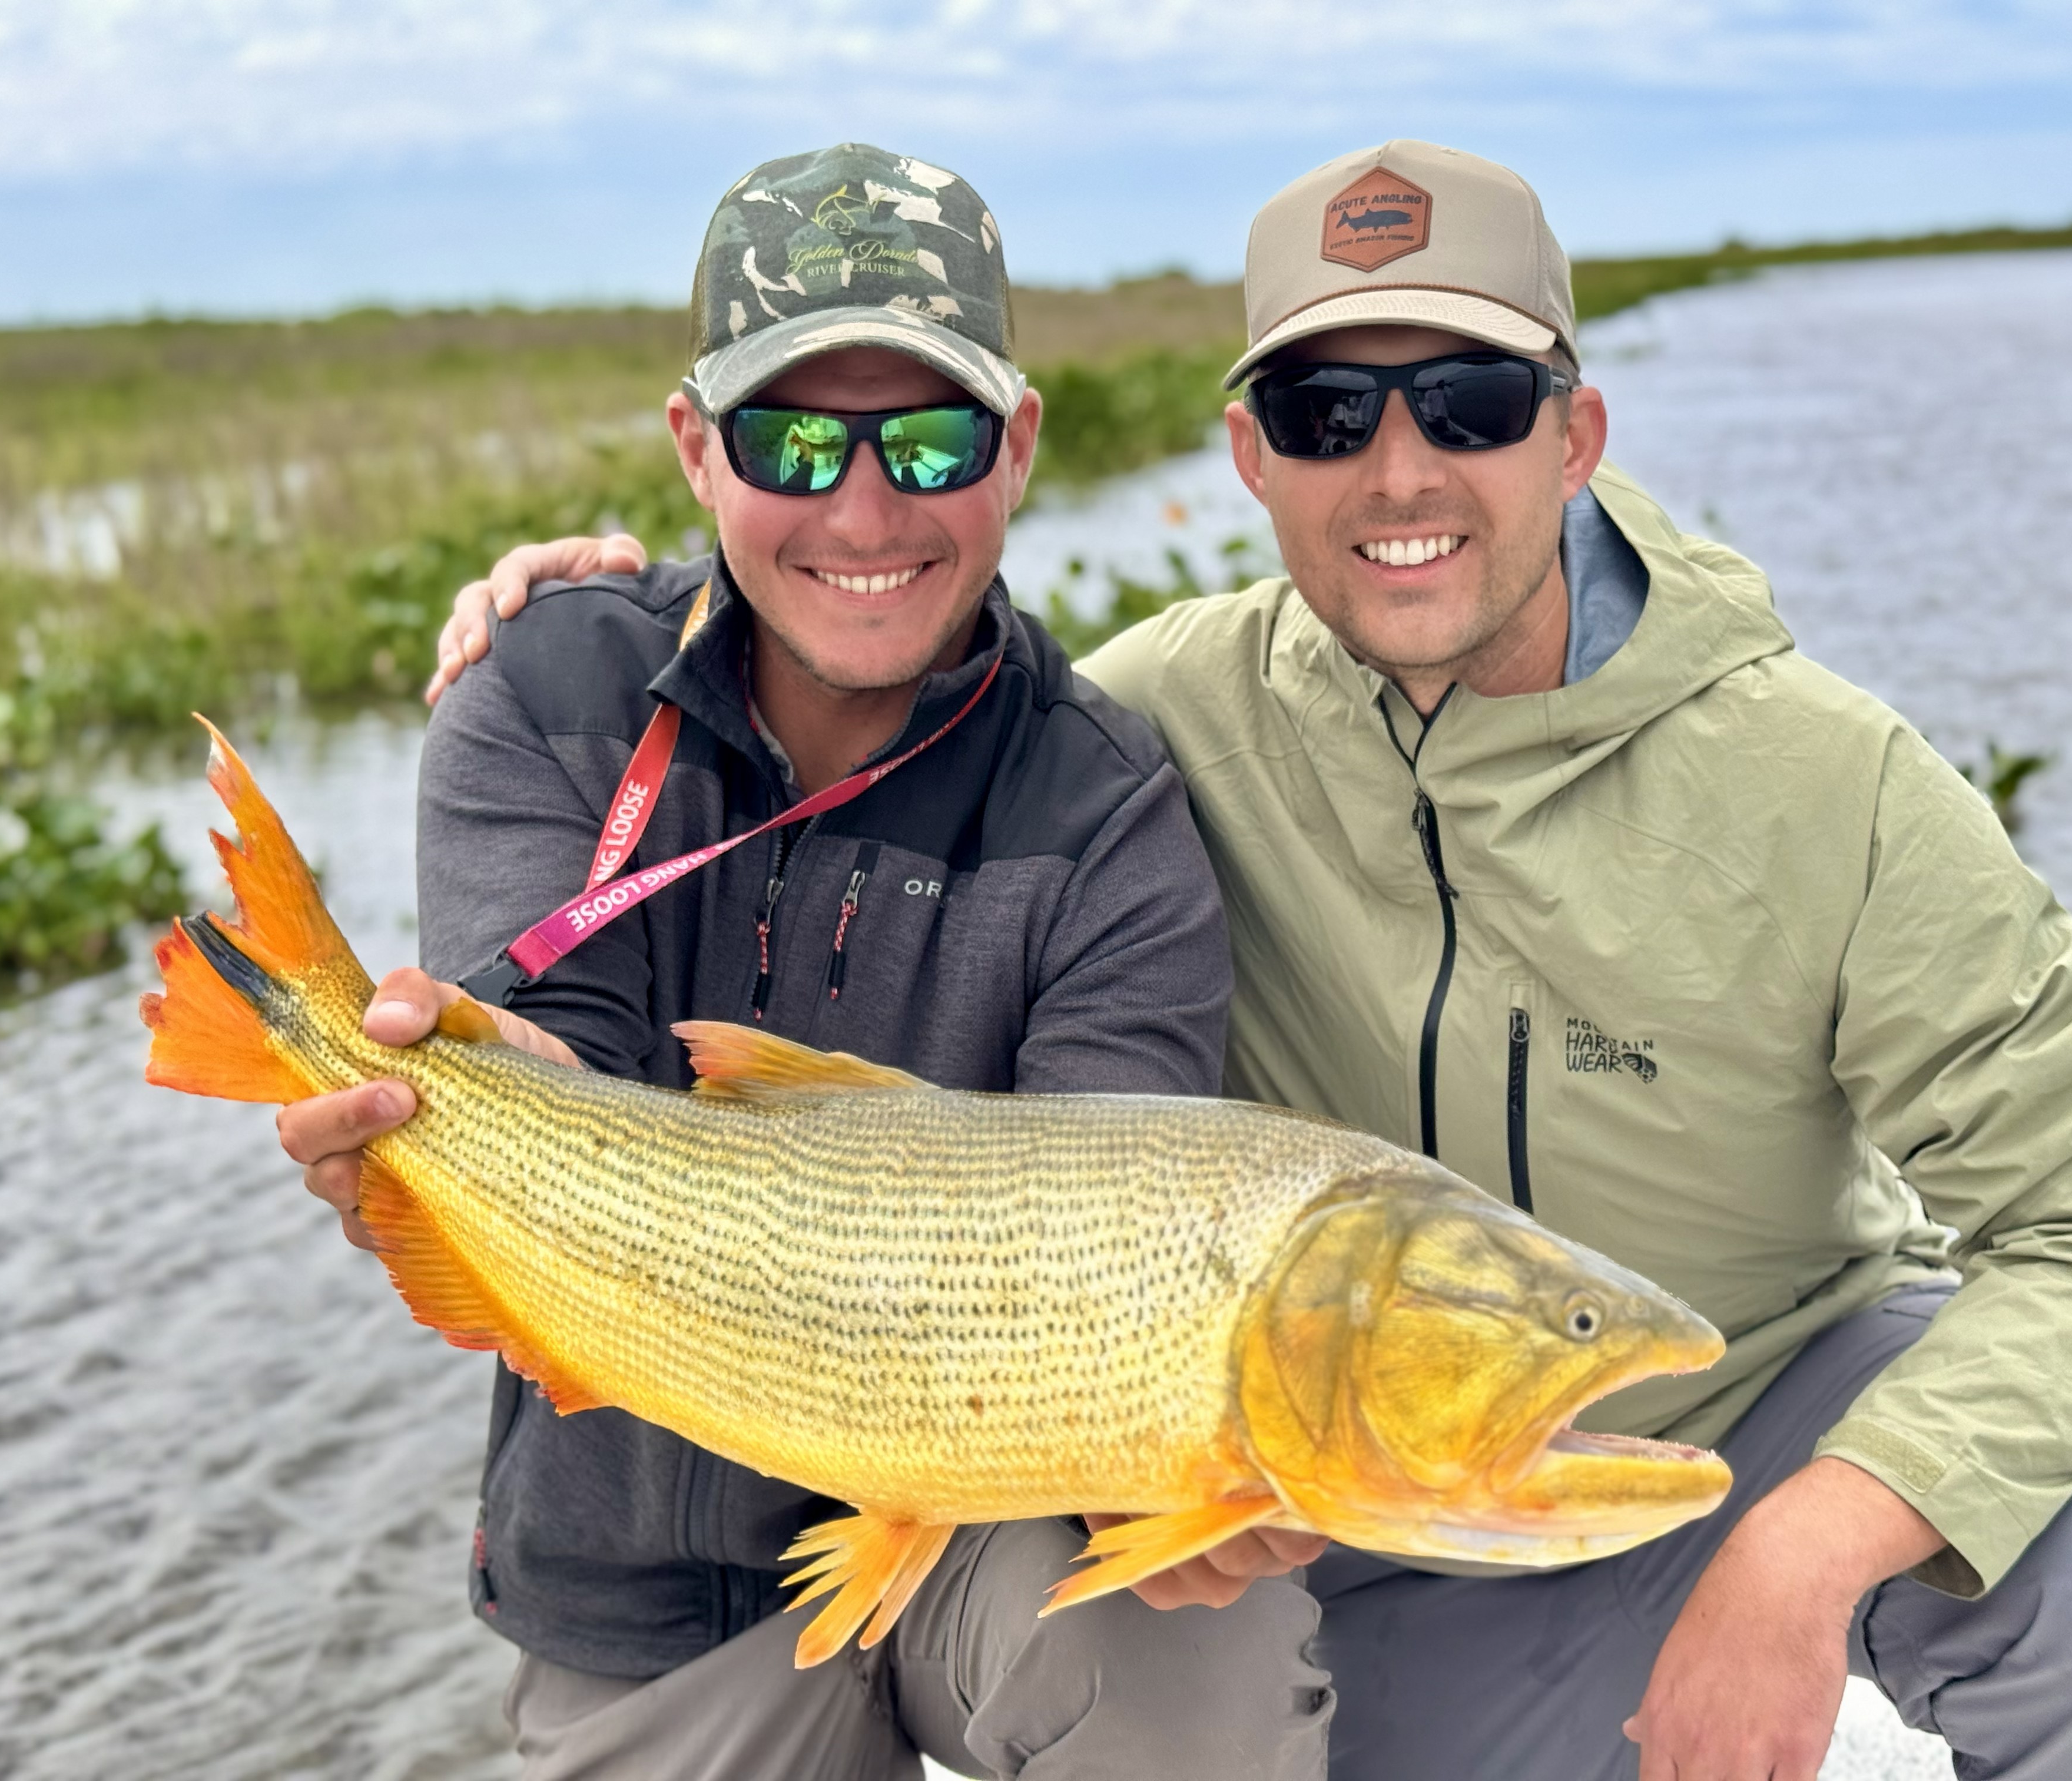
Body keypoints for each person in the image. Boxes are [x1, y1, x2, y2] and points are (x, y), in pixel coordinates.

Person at [444, 140, 2072, 1780]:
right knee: (1226, 1692)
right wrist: (607, 608)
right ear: (1248, 456)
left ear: (1578, 431)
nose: (1400, 472)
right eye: (1326, 414)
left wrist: (1818, 1540)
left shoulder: (1835, 781)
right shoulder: (1159, 721)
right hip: (1387, 1500)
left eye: (1470, 402)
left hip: (1765, 1410)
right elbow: (869, 608)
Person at [276, 142, 1333, 1780]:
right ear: (699, 449)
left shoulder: (1110, 810)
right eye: (790, 440)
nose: (862, 508)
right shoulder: (546, 695)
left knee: (1215, 1648)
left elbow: (1106, 1218)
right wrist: (469, 1144)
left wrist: (1191, 1484)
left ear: (1023, 446)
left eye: (927, 438)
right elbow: (550, 1056)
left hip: (994, 1523)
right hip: (643, 1578)